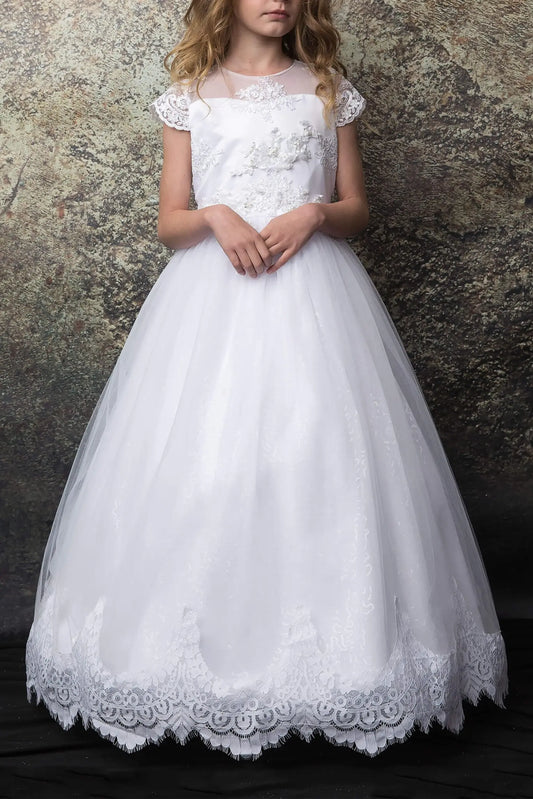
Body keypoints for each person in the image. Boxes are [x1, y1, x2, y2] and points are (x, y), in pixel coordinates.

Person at [26, 0, 508, 761]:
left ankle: (344, 665)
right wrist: (216, 215)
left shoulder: (326, 87)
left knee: (325, 461)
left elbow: (357, 209)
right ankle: (187, 657)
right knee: (204, 463)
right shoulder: (187, 93)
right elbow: (169, 221)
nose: (277, 1)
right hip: (210, 300)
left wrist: (313, 215)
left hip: (318, 297)